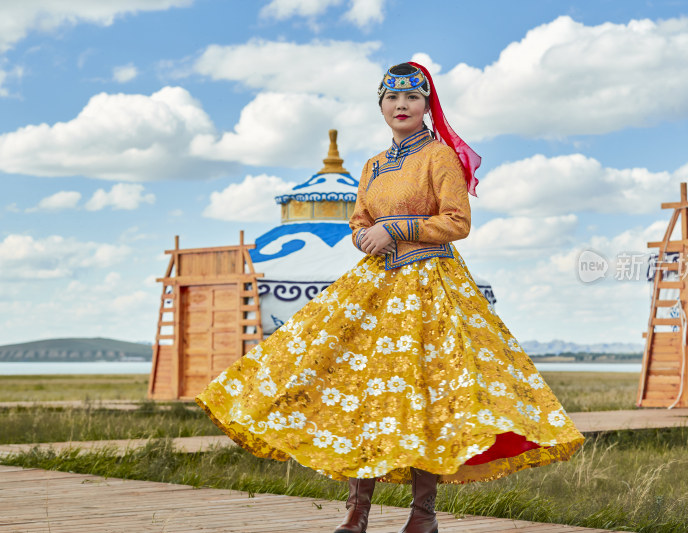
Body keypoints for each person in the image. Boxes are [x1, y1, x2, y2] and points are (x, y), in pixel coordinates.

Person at [195, 62, 585, 533]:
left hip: (429, 287)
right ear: (380, 106)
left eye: (412, 99)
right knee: (360, 389)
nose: (401, 106)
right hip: (377, 285)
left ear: (426, 105)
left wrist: (396, 228)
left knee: (426, 394)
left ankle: (423, 515)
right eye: (391, 99)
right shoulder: (373, 165)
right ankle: (356, 513)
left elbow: (457, 223)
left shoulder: (438, 157)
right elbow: (359, 219)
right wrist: (365, 236)